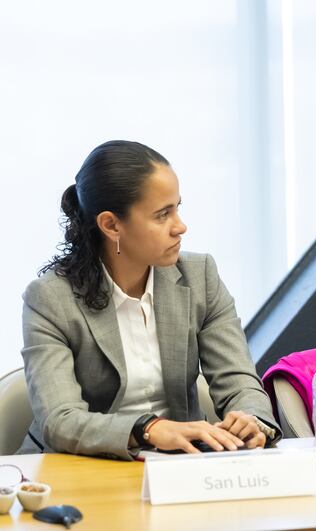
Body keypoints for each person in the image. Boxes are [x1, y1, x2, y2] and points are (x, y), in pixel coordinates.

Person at [20, 140, 281, 460]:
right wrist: (148, 428)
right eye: (162, 215)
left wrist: (250, 418)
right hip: (83, 466)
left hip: (179, 464)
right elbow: (60, 420)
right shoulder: (50, 298)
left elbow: (239, 382)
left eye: (177, 208)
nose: (180, 227)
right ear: (111, 225)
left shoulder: (200, 276)